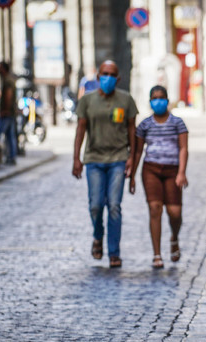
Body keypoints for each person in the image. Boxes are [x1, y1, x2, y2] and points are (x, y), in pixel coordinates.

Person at [72, 60, 138, 268]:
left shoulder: (126, 100)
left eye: (112, 74)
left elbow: (132, 131)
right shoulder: (88, 101)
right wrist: (76, 158)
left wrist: (132, 158)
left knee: (115, 206)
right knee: (95, 205)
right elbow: (81, 130)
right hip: (94, 160)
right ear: (98, 77)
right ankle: (98, 236)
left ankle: (114, 253)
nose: (107, 78)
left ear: (117, 79)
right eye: (104, 74)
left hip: (118, 159)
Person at [130, 86, 188, 269]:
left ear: (167, 100)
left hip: (172, 171)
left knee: (175, 212)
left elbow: (183, 148)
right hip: (151, 170)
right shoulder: (145, 125)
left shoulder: (178, 123)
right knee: (155, 209)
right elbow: (138, 151)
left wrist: (181, 172)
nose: (158, 101)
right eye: (154, 98)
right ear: (150, 102)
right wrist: (131, 176)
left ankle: (174, 237)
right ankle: (157, 254)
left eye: (161, 97)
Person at [0, 61, 18, 165]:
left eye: (0, 67)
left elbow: (8, 96)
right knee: (9, 135)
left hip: (7, 113)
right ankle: (11, 157)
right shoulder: (8, 79)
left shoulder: (8, 80)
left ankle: (0, 156)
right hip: (10, 112)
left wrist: (5, 110)